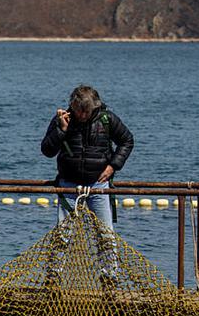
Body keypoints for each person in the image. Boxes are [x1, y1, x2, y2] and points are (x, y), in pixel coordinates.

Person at [41, 85, 133, 280]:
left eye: (86, 111)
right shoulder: (62, 119)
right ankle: (54, 277)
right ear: (72, 106)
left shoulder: (107, 119)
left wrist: (113, 166)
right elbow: (47, 150)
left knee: (105, 234)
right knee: (62, 234)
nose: (82, 115)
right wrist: (61, 130)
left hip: (99, 185)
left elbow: (127, 140)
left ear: (95, 107)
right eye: (78, 110)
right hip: (68, 184)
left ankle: (110, 277)